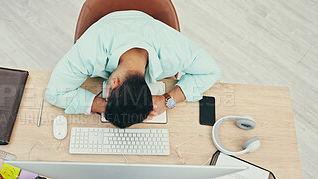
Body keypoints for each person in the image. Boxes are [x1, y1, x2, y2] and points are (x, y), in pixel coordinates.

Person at [46, 10, 221, 128]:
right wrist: (103, 106)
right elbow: (54, 93)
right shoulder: (90, 51)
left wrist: (169, 99)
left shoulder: (173, 51)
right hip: (110, 24)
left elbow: (212, 71)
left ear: (114, 83)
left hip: (149, 27)